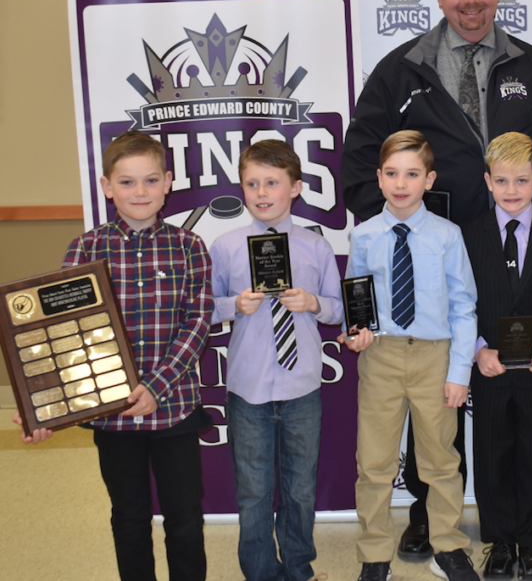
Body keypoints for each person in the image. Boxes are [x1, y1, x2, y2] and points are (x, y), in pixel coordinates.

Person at [342, 0, 532, 557]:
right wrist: (403, 239)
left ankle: (521, 515)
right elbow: (360, 162)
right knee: (436, 397)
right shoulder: (402, 68)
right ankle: (428, 516)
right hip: (440, 257)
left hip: (518, 256)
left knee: (517, 387)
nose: (470, 2)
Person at [13, 130, 213, 581]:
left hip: (174, 410)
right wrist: (42, 407)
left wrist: (155, 387)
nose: (139, 192)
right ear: (107, 186)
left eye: (149, 180)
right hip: (113, 415)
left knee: (185, 519)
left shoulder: (189, 248)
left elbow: (197, 323)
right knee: (128, 517)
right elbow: (61, 336)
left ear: (168, 183)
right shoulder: (85, 249)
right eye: (126, 182)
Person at [343, 130, 480, 581]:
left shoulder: (446, 235)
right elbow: (355, 302)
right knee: (375, 461)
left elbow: (463, 306)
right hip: (380, 357)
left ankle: (448, 545)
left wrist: (460, 371)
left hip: (434, 356)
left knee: (440, 458)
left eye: (412, 174)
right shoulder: (364, 236)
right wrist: (356, 333)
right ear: (379, 179)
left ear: (429, 179)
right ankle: (375, 553)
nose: (401, 183)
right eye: (392, 173)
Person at [209, 140, 344, 581]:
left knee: (300, 489)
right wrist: (234, 306)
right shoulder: (226, 246)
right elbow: (204, 307)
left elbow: (341, 308)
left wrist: (313, 303)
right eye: (252, 183)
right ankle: (261, 573)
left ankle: (300, 568)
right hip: (247, 389)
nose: (261, 192)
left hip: (302, 387)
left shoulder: (315, 246)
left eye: (272, 182)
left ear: (296, 188)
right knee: (252, 492)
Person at [461, 133, 532, 580]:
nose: (512, 190)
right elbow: (459, 303)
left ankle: (530, 543)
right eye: (502, 180)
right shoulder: (467, 236)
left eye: (522, 180)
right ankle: (500, 543)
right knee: (491, 454)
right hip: (487, 366)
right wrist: (474, 350)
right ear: (487, 181)